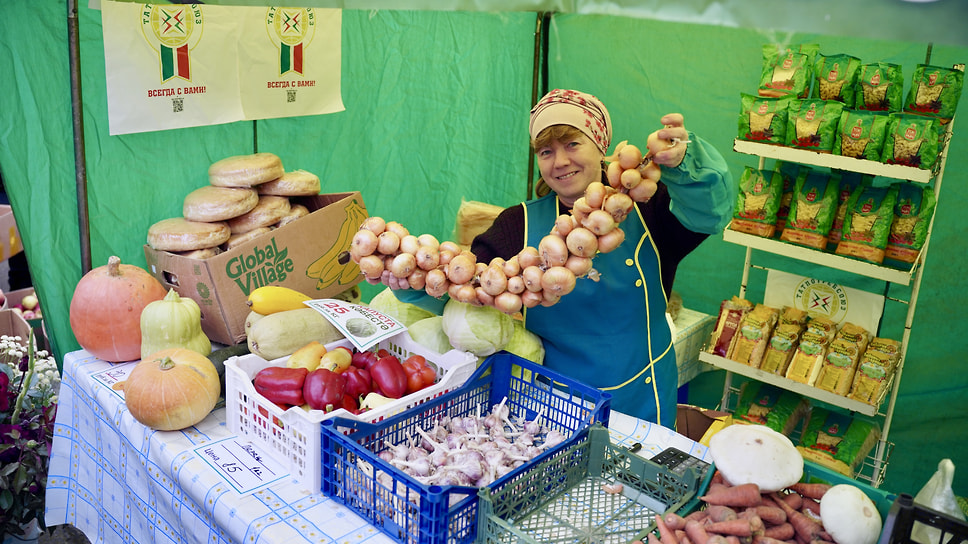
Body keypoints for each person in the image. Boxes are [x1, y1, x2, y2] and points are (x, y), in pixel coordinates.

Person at [377, 89, 734, 428]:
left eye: (572, 144)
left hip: (640, 400)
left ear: (600, 147)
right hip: (551, 406)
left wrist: (687, 161)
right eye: (546, 151)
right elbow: (467, 292)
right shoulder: (517, 224)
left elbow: (708, 213)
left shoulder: (648, 205)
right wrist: (408, 277)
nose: (560, 161)